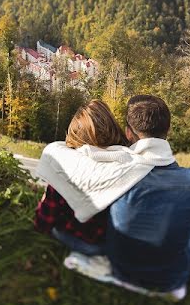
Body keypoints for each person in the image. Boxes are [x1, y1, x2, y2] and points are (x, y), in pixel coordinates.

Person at [104, 95, 190, 292]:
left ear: (128, 133)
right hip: (170, 279)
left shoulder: (113, 174)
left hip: (119, 269)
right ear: (167, 131)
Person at [33, 100, 129, 255]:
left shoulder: (66, 165)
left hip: (78, 241)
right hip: (110, 246)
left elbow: (44, 221)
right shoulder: (128, 165)